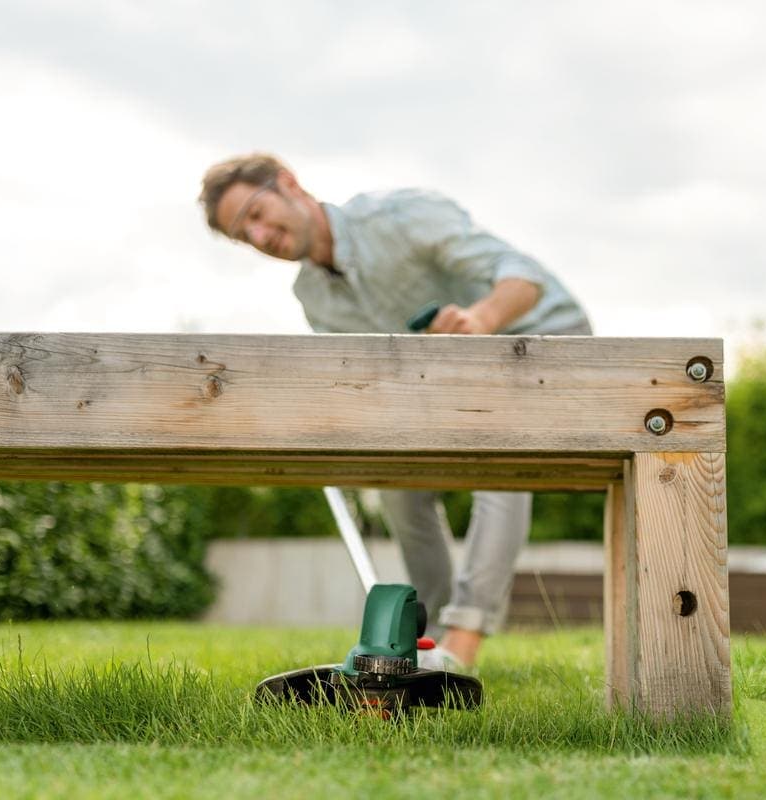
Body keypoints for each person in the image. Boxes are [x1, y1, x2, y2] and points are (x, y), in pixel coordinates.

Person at [198, 153, 592, 673]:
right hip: (452, 387)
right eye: (243, 235)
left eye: (255, 212)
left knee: (500, 458)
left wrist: (480, 318)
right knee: (396, 481)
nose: (259, 236)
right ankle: (426, 646)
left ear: (288, 184)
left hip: (553, 351)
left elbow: (524, 275)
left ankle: (464, 642)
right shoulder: (313, 297)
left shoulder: (401, 216)